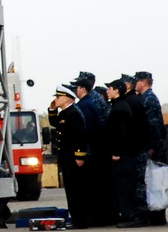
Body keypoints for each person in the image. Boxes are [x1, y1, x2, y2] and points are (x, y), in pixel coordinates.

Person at [70, 72, 116, 226]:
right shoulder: (93, 99)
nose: (75, 89)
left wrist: (82, 152)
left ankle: (98, 217)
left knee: (94, 187)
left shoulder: (88, 102)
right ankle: (102, 215)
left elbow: (88, 128)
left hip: (93, 150)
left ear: (84, 87)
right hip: (98, 148)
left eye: (77, 86)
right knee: (99, 186)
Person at [48, 85, 94, 229]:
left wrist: (79, 155)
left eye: (58, 97)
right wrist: (52, 110)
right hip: (66, 158)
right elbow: (55, 123)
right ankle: (76, 219)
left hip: (73, 158)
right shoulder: (65, 113)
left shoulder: (73, 113)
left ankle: (80, 221)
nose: (56, 99)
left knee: (77, 190)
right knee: (71, 190)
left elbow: (79, 136)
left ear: (67, 98)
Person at [106, 78, 147, 228]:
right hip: (124, 154)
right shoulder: (118, 105)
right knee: (123, 186)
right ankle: (128, 215)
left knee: (126, 187)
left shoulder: (121, 107)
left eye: (110, 88)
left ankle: (131, 216)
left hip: (123, 156)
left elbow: (122, 133)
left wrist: (117, 152)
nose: (107, 91)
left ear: (117, 91)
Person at [135, 71, 167, 225]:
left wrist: (151, 146)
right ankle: (154, 214)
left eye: (137, 81)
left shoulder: (149, 99)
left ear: (143, 82)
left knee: (155, 182)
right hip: (152, 146)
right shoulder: (145, 98)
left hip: (154, 149)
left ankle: (156, 215)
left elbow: (153, 125)